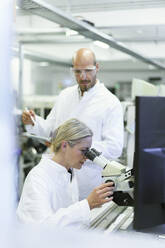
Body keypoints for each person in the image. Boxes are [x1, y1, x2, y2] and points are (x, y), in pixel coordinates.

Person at [22, 48, 124, 200]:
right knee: (59, 215)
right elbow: (52, 130)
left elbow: (115, 147)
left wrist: (80, 148)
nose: (83, 76)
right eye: (77, 71)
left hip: (89, 180)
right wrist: (34, 123)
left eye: (88, 71)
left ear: (97, 67)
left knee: (86, 217)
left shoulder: (110, 102)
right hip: (59, 174)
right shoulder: (65, 96)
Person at [17, 118, 114, 228]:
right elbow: (40, 228)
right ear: (64, 146)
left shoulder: (69, 172)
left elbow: (66, 219)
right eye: (83, 150)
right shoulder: (38, 178)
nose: (86, 157)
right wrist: (87, 205)